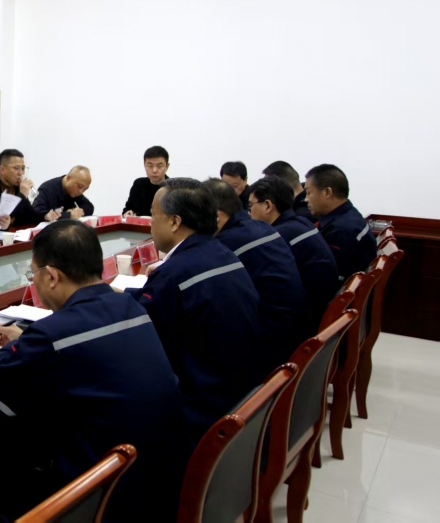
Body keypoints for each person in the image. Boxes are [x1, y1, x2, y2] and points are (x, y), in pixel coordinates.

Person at [0, 221, 190, 522]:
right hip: (161, 480)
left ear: (52, 276)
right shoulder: (132, 307)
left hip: (103, 497)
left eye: (33, 274)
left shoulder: (52, 336)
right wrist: (28, 341)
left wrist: (21, 347)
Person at [122, 178, 261, 440]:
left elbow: (139, 339)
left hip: (199, 408)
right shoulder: (222, 253)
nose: (150, 223)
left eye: (153, 214)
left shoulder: (174, 274)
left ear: (174, 221)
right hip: (240, 392)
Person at [203, 179, 308, 372]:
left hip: (270, 345)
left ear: (216, 216)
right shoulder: (262, 227)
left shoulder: (227, 245)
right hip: (294, 328)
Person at [249, 176, 339, 334]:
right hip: (324, 308)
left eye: (251, 205)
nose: (249, 213)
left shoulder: (277, 237)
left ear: (268, 206)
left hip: (306, 322)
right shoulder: (301, 222)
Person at [305, 164, 377, 281]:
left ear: (327, 192)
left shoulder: (341, 231)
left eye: (309, 193)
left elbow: (330, 279)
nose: (306, 199)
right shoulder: (349, 215)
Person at [0, 149, 61, 225]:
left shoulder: (16, 185)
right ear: (2, 170)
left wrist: (45, 216)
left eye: (23, 168)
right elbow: (0, 219)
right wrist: (22, 195)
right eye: (16, 168)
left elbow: (28, 214)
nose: (21, 173)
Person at [122, 146, 169, 217]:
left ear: (167, 166)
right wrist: (128, 213)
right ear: (144, 165)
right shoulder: (138, 184)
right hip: (139, 224)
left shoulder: (172, 188)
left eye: (159, 166)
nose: (154, 170)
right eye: (150, 166)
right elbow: (127, 208)